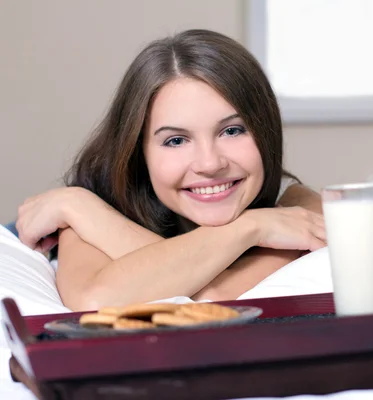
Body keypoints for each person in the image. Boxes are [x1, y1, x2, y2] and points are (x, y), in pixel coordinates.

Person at [15, 29, 326, 311]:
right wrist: (251, 228)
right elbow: (95, 301)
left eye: (232, 131)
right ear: (139, 151)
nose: (209, 163)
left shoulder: (295, 205)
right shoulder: (90, 209)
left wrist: (79, 209)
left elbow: (213, 297)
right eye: (176, 140)